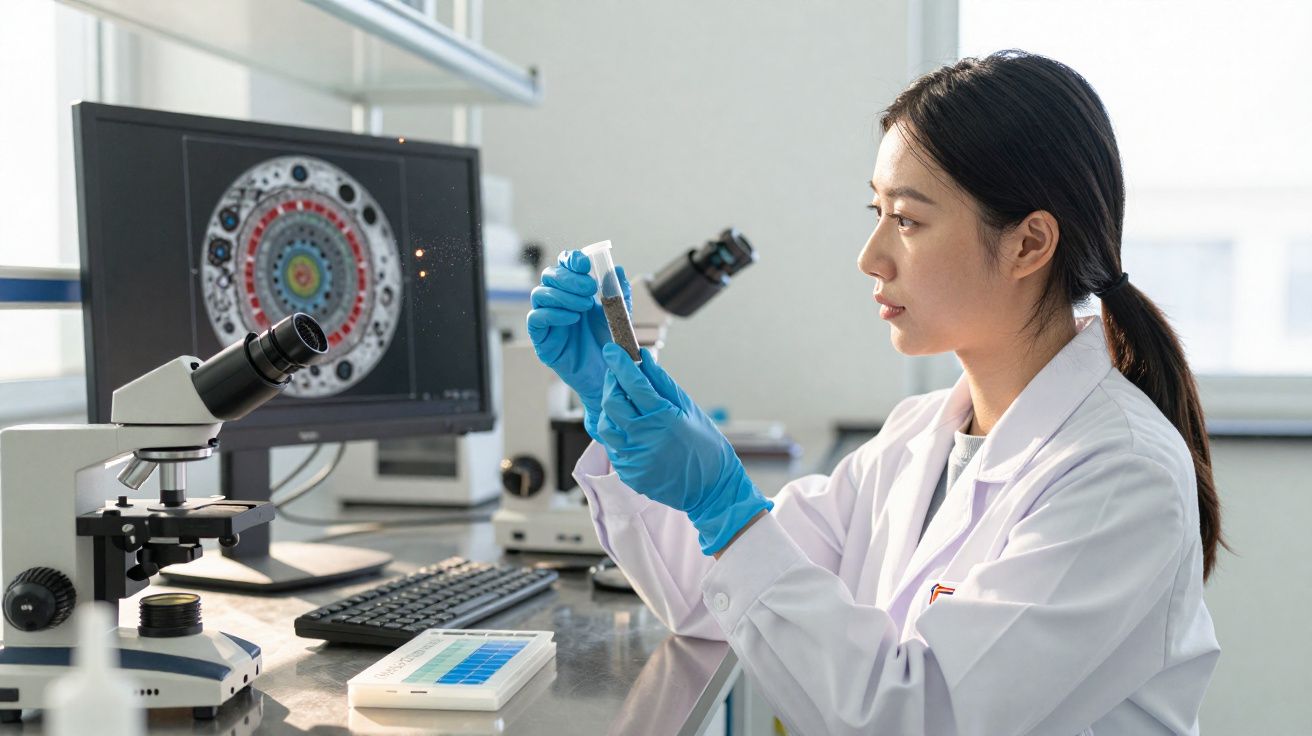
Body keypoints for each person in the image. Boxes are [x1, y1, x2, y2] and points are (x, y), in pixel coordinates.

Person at [527, 50, 1221, 735]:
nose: (870, 257)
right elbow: (709, 600)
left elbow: (914, 717)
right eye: (876, 210)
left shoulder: (1120, 477)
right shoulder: (920, 438)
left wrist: (726, 505)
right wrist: (615, 413)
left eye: (908, 220)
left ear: (1029, 245)